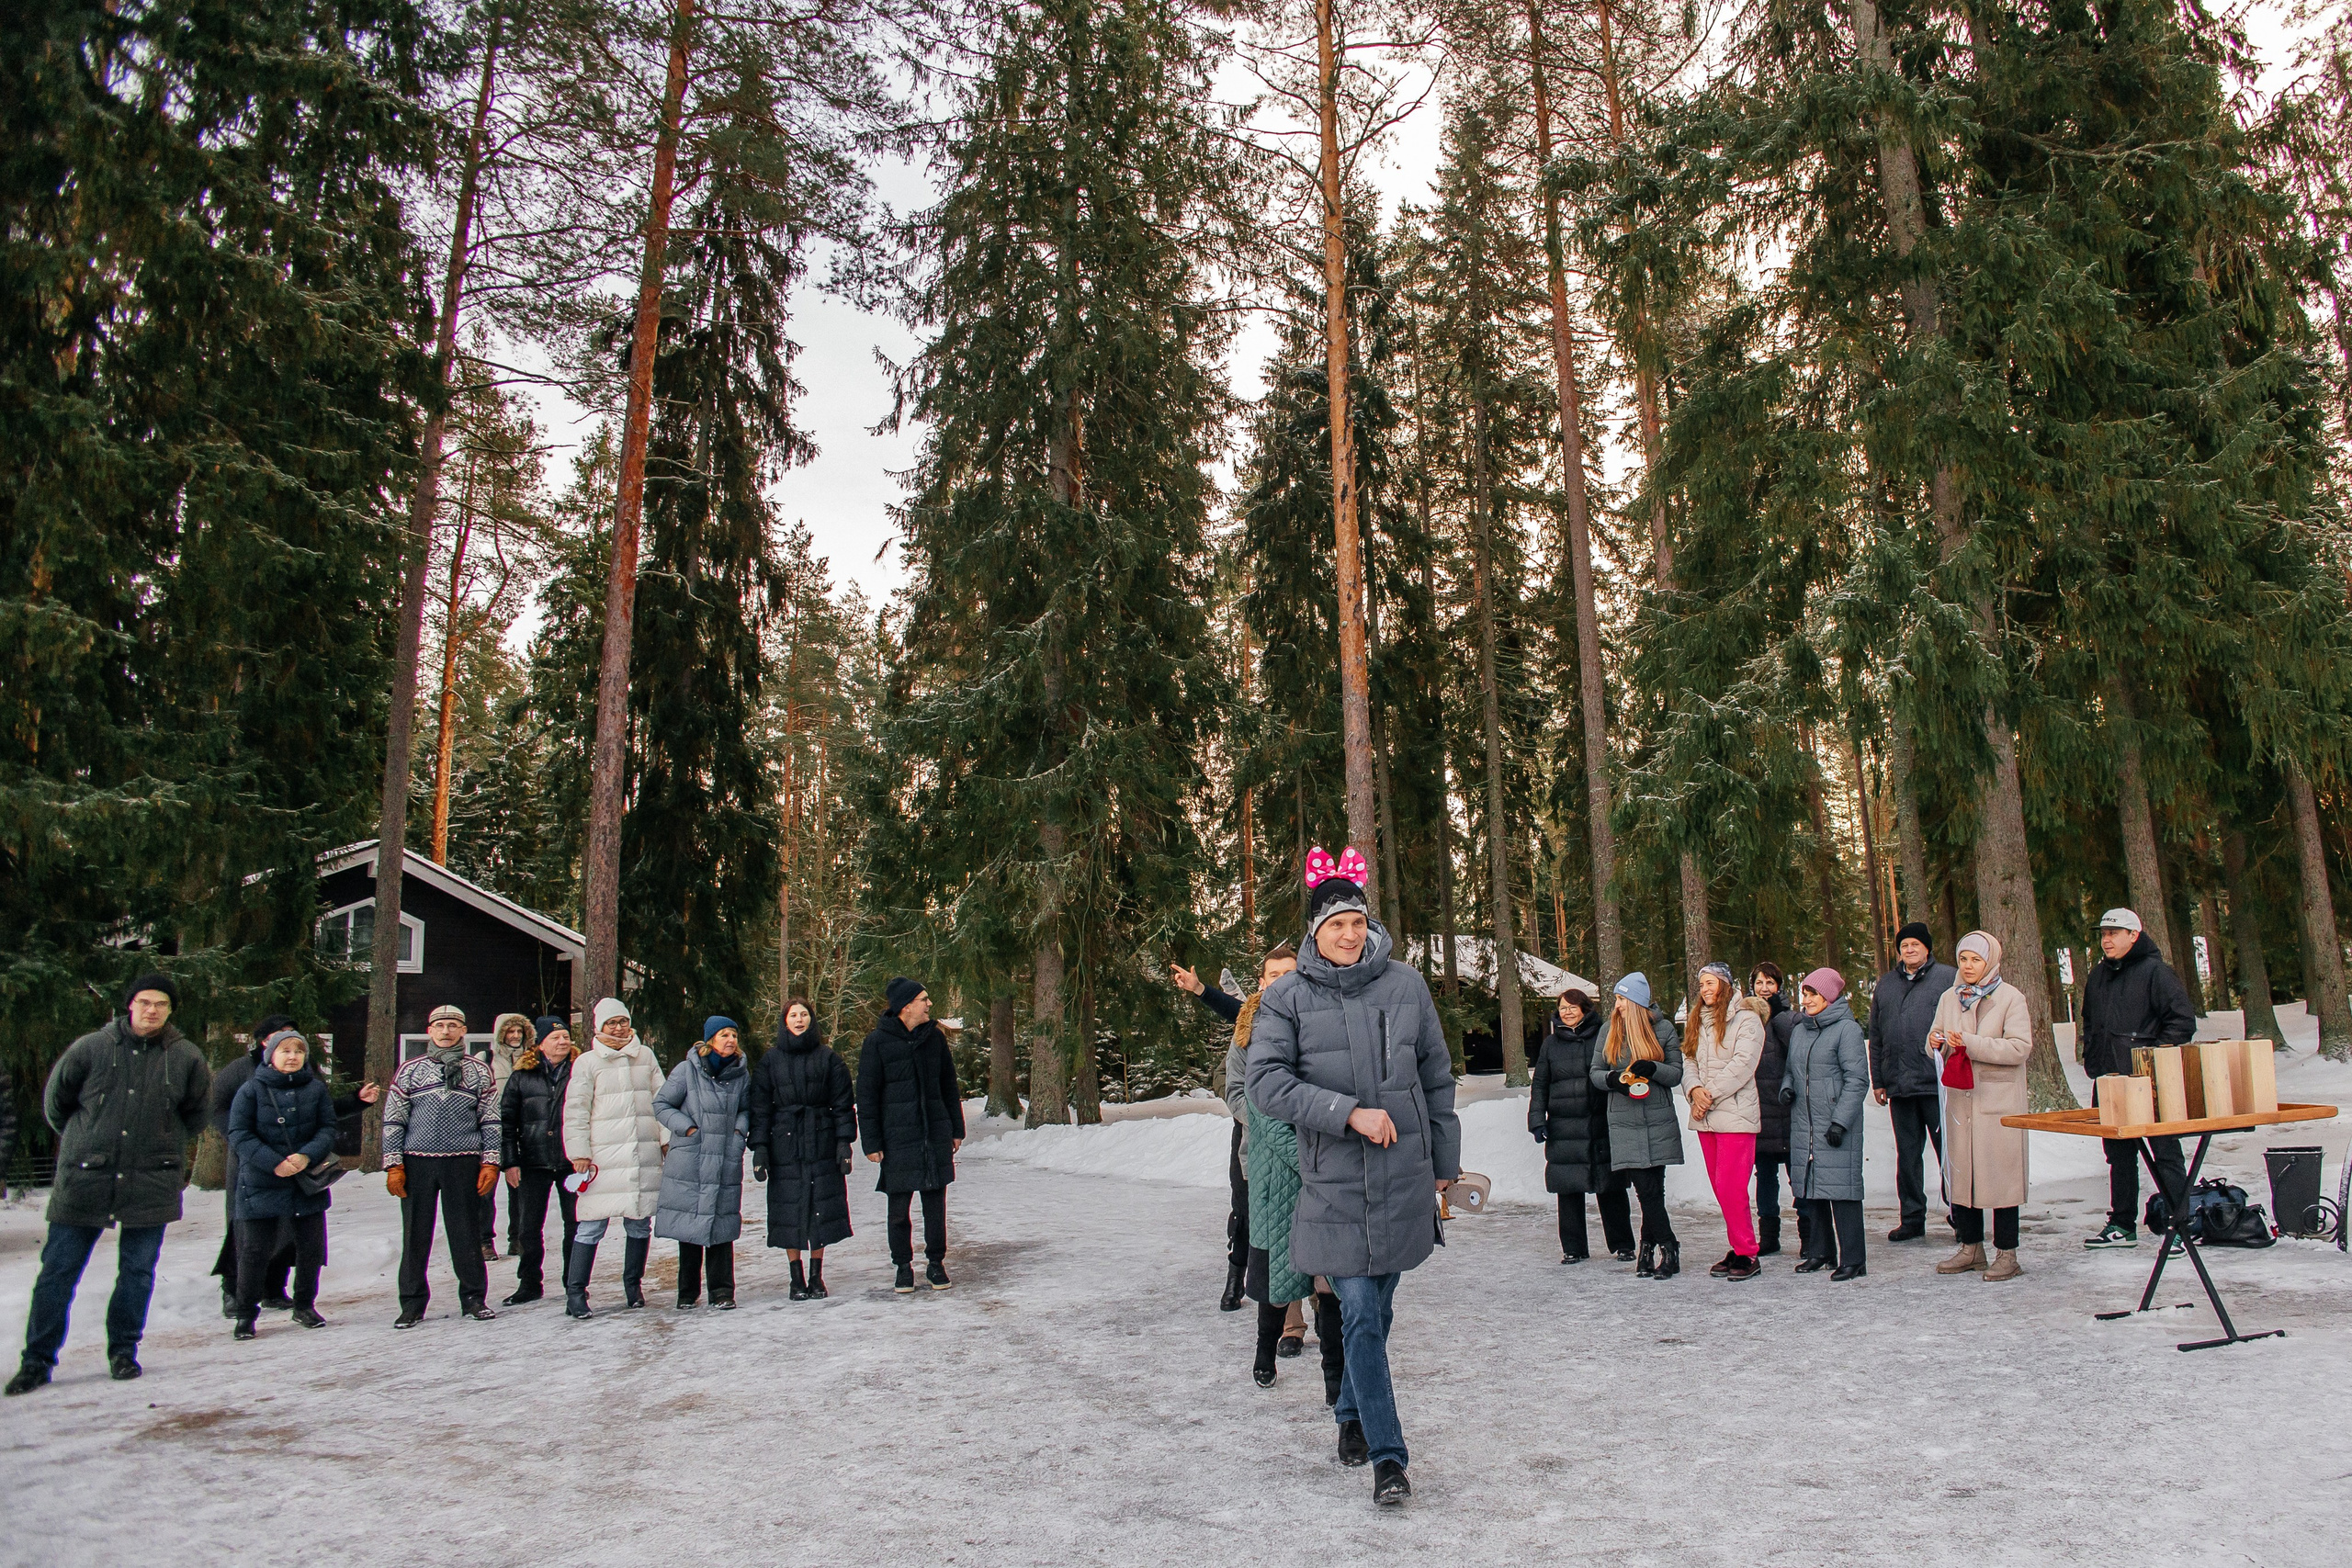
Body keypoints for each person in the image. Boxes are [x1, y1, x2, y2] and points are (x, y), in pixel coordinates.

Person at [1248, 845, 1459, 1508]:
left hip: (1402, 1180)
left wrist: (1445, 1167)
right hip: (1333, 1185)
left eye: (1357, 921)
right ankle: (1389, 1458)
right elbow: (1265, 1082)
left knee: (1379, 1311)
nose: (1348, 932)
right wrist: (1348, 1115)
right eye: (1334, 923)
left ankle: (1347, 1411)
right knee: (1361, 1310)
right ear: (1314, 930)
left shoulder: (1405, 985)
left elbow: (1436, 1077)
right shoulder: (1285, 997)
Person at [7, 974, 209, 1396]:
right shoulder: (91, 1048)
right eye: (143, 1002)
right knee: (58, 1272)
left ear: (171, 1011)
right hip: (86, 1179)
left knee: (136, 1272)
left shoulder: (186, 1057)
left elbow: (195, 1115)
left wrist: (157, 1145)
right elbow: (57, 1104)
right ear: (129, 1005)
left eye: (161, 1004)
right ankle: (36, 1360)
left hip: (150, 1181)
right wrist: (89, 1140)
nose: (151, 1010)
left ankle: (123, 1351)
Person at [209, 1011, 379, 1317]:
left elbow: (322, 1112)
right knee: (247, 1230)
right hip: (253, 1162)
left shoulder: (307, 1073)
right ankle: (233, 1291)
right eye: (282, 1037)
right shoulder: (241, 1071)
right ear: (265, 1042)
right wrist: (240, 1141)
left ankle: (275, 1289)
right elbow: (219, 1108)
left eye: (295, 1040)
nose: (291, 1047)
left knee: (291, 1230)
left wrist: (357, 1100)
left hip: (300, 1164)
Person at [1175, 947, 1298, 1314]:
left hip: (1297, 1135)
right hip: (1251, 1132)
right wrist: (1200, 990)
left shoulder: (1311, 1016)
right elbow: (1238, 1015)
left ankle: (1309, 1310)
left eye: (1289, 974)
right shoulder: (1250, 1020)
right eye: (1274, 975)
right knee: (1246, 1211)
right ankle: (1236, 1276)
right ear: (1262, 982)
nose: (1282, 982)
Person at [2079, 908, 2196, 1248]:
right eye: (2103, 933)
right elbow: (2089, 1022)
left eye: (2114, 933)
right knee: (2118, 1154)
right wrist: (2094, 1061)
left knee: (2166, 1152)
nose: (2106, 939)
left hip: (2151, 1082)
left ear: (2134, 935)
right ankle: (2121, 1225)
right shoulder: (2098, 975)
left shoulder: (2156, 972)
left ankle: (2180, 1227)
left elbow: (2182, 1022)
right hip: (2109, 1080)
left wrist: (2151, 1058)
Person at [383, 1003, 502, 1328]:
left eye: (453, 1025)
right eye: (440, 1025)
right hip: (417, 1162)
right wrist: (394, 1163)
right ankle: (412, 1303)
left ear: (464, 1030)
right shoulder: (409, 1070)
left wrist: (490, 1162)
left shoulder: (479, 1071)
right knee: (415, 1235)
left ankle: (474, 1297)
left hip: (462, 1162)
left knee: (465, 1231)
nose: (446, 1031)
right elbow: (394, 1118)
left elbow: (490, 1120)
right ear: (429, 1031)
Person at [1928, 931, 2034, 1280]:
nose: (1969, 966)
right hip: (1961, 1100)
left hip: (1998, 1102)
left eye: (1976, 959)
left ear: (1990, 961)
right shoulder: (1949, 997)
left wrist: (1971, 1043)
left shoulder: (2010, 998)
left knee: (2001, 1176)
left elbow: (2019, 1048)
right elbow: (1939, 1037)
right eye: (1963, 959)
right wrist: (1935, 1042)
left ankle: (2008, 1252)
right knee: (1964, 1177)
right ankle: (1971, 1247)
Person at [225, 1029, 337, 1337]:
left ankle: (304, 1305)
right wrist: (273, 1163)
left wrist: (305, 1156)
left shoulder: (316, 1090)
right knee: (255, 1250)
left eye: (298, 1051)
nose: (292, 1057)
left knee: (311, 1248)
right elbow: (239, 1134)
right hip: (261, 1182)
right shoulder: (251, 1090)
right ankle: (246, 1314)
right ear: (270, 1055)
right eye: (285, 1051)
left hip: (306, 1181)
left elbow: (327, 1129)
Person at [857, 977, 965, 1293]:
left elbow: (949, 1086)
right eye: (924, 999)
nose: (929, 1004)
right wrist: (872, 1142)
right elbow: (867, 1096)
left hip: (934, 1133)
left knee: (935, 1204)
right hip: (896, 1138)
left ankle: (936, 1263)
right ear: (906, 1006)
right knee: (898, 1208)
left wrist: (956, 1129)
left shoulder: (935, 1039)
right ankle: (903, 1266)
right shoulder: (876, 1043)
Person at [561, 998, 665, 1317]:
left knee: (639, 1224)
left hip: (641, 1153)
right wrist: (579, 1152)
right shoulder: (588, 1063)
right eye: (611, 1023)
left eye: (622, 1021)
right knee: (591, 1226)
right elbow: (576, 1110)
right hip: (603, 1158)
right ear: (599, 1026)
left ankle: (633, 1286)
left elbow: (662, 1099)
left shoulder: (644, 1056)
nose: (618, 1028)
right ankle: (576, 1292)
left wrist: (665, 1139)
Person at [1243, 1084, 1344, 1403]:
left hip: (1324, 1187)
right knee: (1277, 1285)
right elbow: (1271, 1125)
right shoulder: (1267, 1056)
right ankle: (1264, 1351)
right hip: (1278, 1188)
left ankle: (1335, 1379)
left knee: (1328, 1284)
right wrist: (1320, 1168)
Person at [750, 998, 856, 1301]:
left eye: (804, 1014)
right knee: (789, 1207)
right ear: (785, 1022)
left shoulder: (829, 1058)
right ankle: (795, 1277)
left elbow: (843, 1105)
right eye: (793, 1015)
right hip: (784, 1144)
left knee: (820, 1206)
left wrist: (843, 1143)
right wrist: (759, 1148)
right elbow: (759, 1108)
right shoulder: (770, 1061)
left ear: (811, 1020)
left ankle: (816, 1276)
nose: (799, 1019)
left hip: (821, 1141)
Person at [1866, 922, 1957, 1242]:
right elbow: (1875, 1035)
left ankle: (1961, 1215)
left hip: (1937, 1083)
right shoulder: (1887, 985)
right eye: (1904, 945)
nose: (1910, 950)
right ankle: (1912, 1218)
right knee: (1907, 1157)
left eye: (1916, 944)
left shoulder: (1948, 978)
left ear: (1927, 948)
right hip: (1900, 1085)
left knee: (1949, 1151)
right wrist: (1879, 1081)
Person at [1589, 973, 1685, 1280]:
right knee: (1645, 1189)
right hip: (1624, 1119)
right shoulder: (1609, 1030)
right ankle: (1669, 1247)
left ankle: (1646, 1248)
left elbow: (1675, 1074)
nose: (1616, 1005)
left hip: (1657, 1117)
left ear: (1636, 1002)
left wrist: (1653, 1068)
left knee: (1654, 1189)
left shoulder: (1664, 1029)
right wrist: (1613, 1080)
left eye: (1621, 999)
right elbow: (1595, 1072)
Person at [1529, 987, 1633, 1264]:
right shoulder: (1551, 1044)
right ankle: (1573, 1248)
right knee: (1568, 1189)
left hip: (1601, 1123)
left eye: (1572, 1007)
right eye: (1562, 1008)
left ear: (1585, 1009)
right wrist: (1538, 1119)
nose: (1567, 1012)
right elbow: (1540, 1083)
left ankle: (1623, 1244)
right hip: (1564, 1127)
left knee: (1611, 1187)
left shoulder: (1604, 1035)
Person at [654, 1017, 752, 1309]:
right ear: (711, 1040)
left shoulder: (741, 1075)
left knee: (722, 1224)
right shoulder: (687, 1070)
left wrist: (738, 1134)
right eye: (724, 1034)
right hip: (691, 1159)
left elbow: (746, 1110)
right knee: (690, 1226)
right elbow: (661, 1104)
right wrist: (688, 1129)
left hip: (725, 1157)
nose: (731, 1039)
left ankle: (722, 1291)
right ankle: (687, 1292)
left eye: (734, 1034)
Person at [1781, 969, 1870, 1280]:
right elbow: (1792, 1069)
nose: (1806, 1001)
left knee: (1842, 1191)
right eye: (1804, 994)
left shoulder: (1847, 1030)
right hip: (1804, 1121)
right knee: (1811, 1188)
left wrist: (1840, 1122)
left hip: (1835, 1124)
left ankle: (1854, 1259)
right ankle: (1821, 1252)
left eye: (1812, 994)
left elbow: (1857, 1080)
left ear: (1829, 997)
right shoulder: (1801, 1030)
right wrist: (1787, 1088)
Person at [1684, 962, 1767, 1280]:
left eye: (1711, 983)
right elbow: (1688, 1058)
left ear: (1725, 985)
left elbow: (1743, 1064)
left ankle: (1748, 1252)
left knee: (1733, 1186)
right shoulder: (1698, 1021)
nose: (1705, 989)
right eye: (1701, 984)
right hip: (1706, 1117)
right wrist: (1693, 1089)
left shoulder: (1747, 1020)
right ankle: (1738, 1246)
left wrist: (1708, 1094)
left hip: (1735, 1114)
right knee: (1721, 1188)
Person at [500, 1017, 578, 1305]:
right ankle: (530, 1283)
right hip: (533, 1161)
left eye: (566, 1037)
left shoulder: (580, 1071)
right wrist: (509, 1162)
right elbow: (506, 1122)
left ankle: (574, 1281)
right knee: (528, 1227)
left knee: (576, 1225)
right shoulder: (523, 1074)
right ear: (541, 1044)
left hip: (572, 1160)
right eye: (556, 1038)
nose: (563, 1042)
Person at [1750, 963, 1804, 1258]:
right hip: (1761, 1113)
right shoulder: (1746, 1018)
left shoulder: (1790, 1017)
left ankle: (1808, 1233)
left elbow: (1797, 1052)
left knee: (1799, 1176)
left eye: (1770, 982)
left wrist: (1779, 1014)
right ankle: (1768, 1235)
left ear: (1779, 986)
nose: (1764, 988)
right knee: (1766, 1177)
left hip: (1788, 1109)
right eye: (1759, 983)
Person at [484, 1012, 533, 1259]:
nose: (515, 1036)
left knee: (519, 1187)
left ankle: (517, 1238)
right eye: (510, 1032)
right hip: (492, 1130)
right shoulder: (487, 1059)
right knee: (486, 1188)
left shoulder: (532, 1060)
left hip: (521, 1130)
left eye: (519, 1032)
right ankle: (485, 1240)